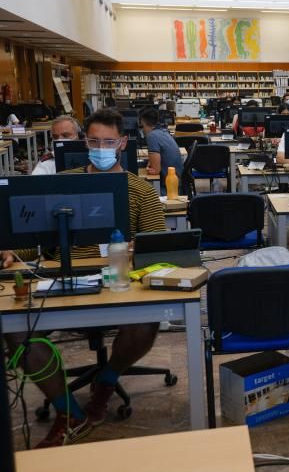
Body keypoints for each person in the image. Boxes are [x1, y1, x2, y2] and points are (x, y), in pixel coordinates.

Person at [2, 108, 167, 448]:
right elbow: (38, 241)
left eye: (109, 141)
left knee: (147, 320)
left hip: (119, 278)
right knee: (17, 330)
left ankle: (106, 380)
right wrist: (13, 254)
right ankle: (67, 410)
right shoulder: (63, 183)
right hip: (60, 276)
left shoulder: (140, 189)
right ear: (84, 141)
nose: (101, 147)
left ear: (122, 143)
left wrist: (140, 249)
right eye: (94, 141)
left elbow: (158, 245)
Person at [140, 107, 183, 190]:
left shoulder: (151, 136)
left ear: (145, 124)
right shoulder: (164, 131)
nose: (143, 129)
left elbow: (155, 170)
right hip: (177, 182)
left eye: (142, 126)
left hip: (169, 187)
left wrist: (152, 167)